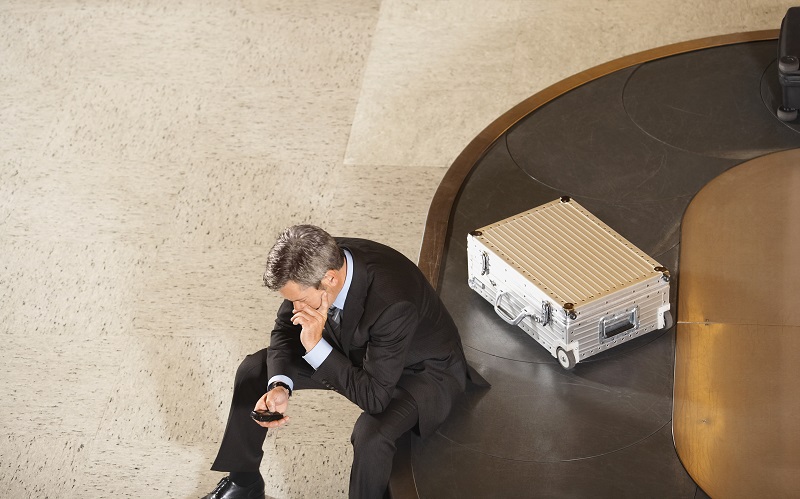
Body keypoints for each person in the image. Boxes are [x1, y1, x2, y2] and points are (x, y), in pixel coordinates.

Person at [203, 224, 473, 499]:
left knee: (371, 435)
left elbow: (374, 398)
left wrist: (317, 347)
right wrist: (279, 386)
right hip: (356, 348)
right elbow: (285, 330)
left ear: (330, 279)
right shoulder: (314, 259)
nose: (295, 309)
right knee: (254, 370)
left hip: (420, 370)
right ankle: (244, 483)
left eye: (299, 300)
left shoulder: (392, 302)